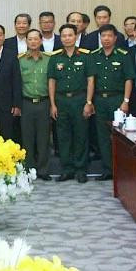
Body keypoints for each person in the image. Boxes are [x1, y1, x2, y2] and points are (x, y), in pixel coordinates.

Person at [48, 24, 94, 183]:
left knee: (81, 135)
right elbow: (51, 81)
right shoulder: (55, 57)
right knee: (63, 136)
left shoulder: (85, 56)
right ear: (60, 38)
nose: (67, 38)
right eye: (64, 36)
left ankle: (81, 169)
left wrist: (89, 102)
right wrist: (53, 104)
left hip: (79, 100)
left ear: (76, 37)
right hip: (61, 101)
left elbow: (90, 80)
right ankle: (67, 169)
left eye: (70, 35)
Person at [91, 25, 134, 181]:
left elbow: (129, 79)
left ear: (115, 38)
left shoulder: (123, 55)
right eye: (103, 36)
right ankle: (108, 169)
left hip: (117, 99)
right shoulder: (94, 55)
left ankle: (121, 169)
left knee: (119, 136)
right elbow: (91, 80)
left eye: (109, 36)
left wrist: (126, 101)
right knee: (102, 136)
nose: (106, 39)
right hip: (99, 100)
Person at [18, 29, 52, 180]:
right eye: (30, 39)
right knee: (27, 138)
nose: (33, 42)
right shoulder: (20, 60)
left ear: (41, 41)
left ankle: (43, 170)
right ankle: (29, 169)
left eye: (36, 39)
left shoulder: (49, 59)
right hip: (26, 103)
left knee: (44, 138)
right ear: (26, 41)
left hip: (44, 102)